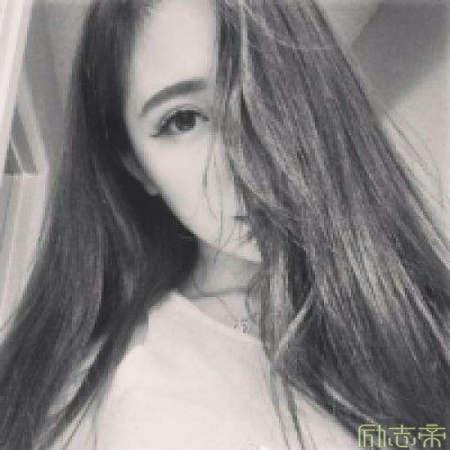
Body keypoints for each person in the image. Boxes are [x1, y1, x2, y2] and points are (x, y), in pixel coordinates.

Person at [0, 0, 449, 449]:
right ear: (137, 166)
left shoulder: (411, 310)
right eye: (182, 120)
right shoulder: (133, 392)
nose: (247, 161)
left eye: (272, 92)